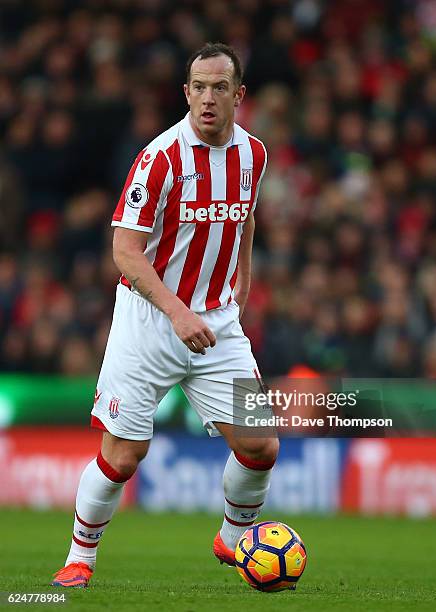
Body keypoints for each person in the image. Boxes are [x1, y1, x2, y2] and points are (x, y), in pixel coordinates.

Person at [51, 42, 279, 588]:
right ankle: (80, 558)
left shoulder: (255, 154)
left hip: (218, 323)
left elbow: (244, 221)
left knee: (260, 444)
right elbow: (125, 251)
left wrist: (240, 289)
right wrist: (177, 313)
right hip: (149, 322)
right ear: (185, 93)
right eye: (198, 87)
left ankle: (233, 536)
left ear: (238, 95)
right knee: (124, 455)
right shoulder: (161, 157)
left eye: (219, 87)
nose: (207, 98)